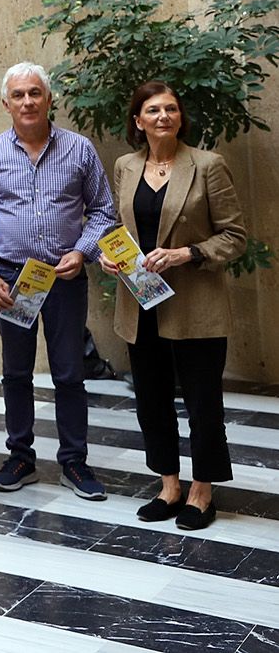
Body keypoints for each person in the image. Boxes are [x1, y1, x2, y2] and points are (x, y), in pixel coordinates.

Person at [0, 61, 118, 499]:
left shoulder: (79, 149)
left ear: (49, 99)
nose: (28, 101)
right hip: (13, 280)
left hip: (64, 278)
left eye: (35, 93)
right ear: (6, 104)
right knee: (16, 372)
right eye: (19, 95)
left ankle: (74, 462)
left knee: (70, 372)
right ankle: (20, 457)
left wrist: (82, 251)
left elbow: (103, 211)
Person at [107, 81, 246, 530]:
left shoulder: (208, 165)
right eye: (153, 110)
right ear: (138, 121)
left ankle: (202, 491)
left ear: (180, 118)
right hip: (140, 300)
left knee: (203, 403)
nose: (163, 116)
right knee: (151, 400)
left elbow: (235, 236)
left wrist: (186, 253)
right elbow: (118, 226)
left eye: (171, 108)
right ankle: (169, 485)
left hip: (195, 304)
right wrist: (112, 257)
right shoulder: (126, 166)